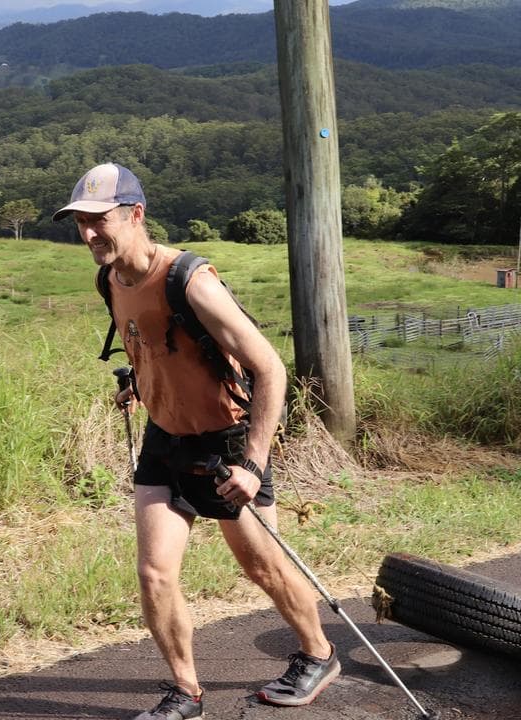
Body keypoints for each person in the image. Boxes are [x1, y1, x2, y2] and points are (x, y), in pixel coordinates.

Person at [53, 163, 339, 720]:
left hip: (228, 443)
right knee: (155, 573)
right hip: (164, 441)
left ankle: (320, 653)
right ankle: (186, 692)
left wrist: (253, 461)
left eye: (99, 221)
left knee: (263, 568)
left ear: (135, 215)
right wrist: (139, 385)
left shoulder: (190, 279)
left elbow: (270, 370)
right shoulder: (110, 280)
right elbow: (153, 343)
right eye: (80, 224)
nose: (89, 235)